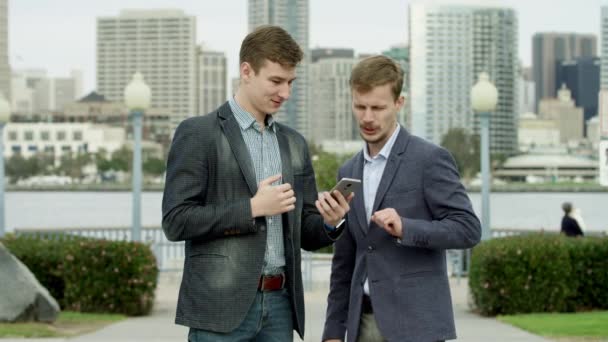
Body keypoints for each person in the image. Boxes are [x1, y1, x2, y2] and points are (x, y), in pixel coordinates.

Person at [162, 25, 352, 341]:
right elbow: (176, 221)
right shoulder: (198, 134)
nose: (286, 93)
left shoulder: (294, 144)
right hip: (219, 311)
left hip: (280, 307)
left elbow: (305, 231)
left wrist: (332, 223)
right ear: (246, 71)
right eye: (276, 81)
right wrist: (252, 208)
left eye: (291, 82)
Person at [322, 55, 482, 342]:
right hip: (363, 323)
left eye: (378, 107)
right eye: (360, 106)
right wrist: (333, 331)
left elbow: (468, 229)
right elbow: (344, 259)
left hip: (417, 325)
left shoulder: (429, 159)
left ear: (399, 103)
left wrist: (406, 228)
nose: (368, 117)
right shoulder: (348, 170)